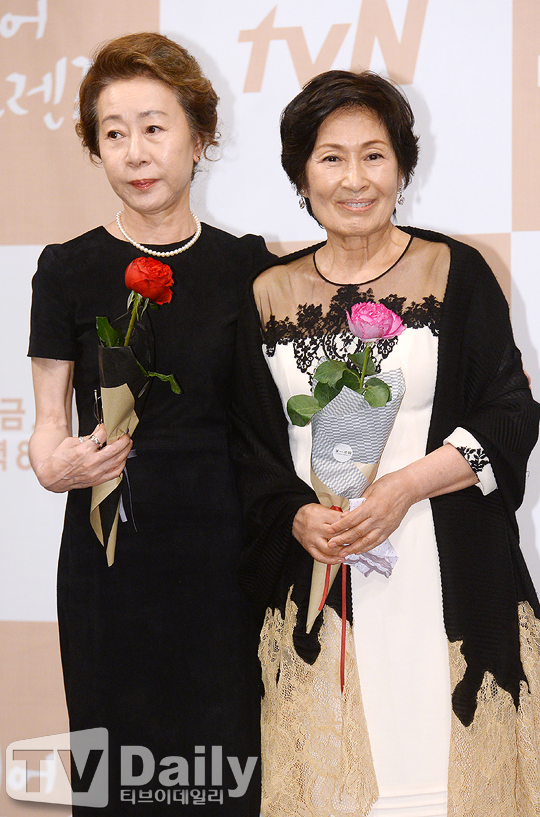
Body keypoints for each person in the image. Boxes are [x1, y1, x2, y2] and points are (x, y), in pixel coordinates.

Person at [230, 70, 540, 816]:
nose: (354, 179)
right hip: (322, 572)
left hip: (445, 565)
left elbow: (510, 414)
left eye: (374, 155)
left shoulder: (455, 271)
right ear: (301, 173)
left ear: (402, 167)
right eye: (330, 157)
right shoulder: (266, 292)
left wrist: (405, 487)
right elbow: (248, 448)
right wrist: (294, 515)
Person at [28, 32, 273, 816]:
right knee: (118, 778)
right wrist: (54, 463)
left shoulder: (248, 268)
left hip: (224, 562)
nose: (135, 152)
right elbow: (47, 426)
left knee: (225, 774)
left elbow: (266, 430)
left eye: (154, 127)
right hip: (110, 560)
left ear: (198, 138)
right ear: (95, 149)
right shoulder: (66, 268)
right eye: (113, 133)